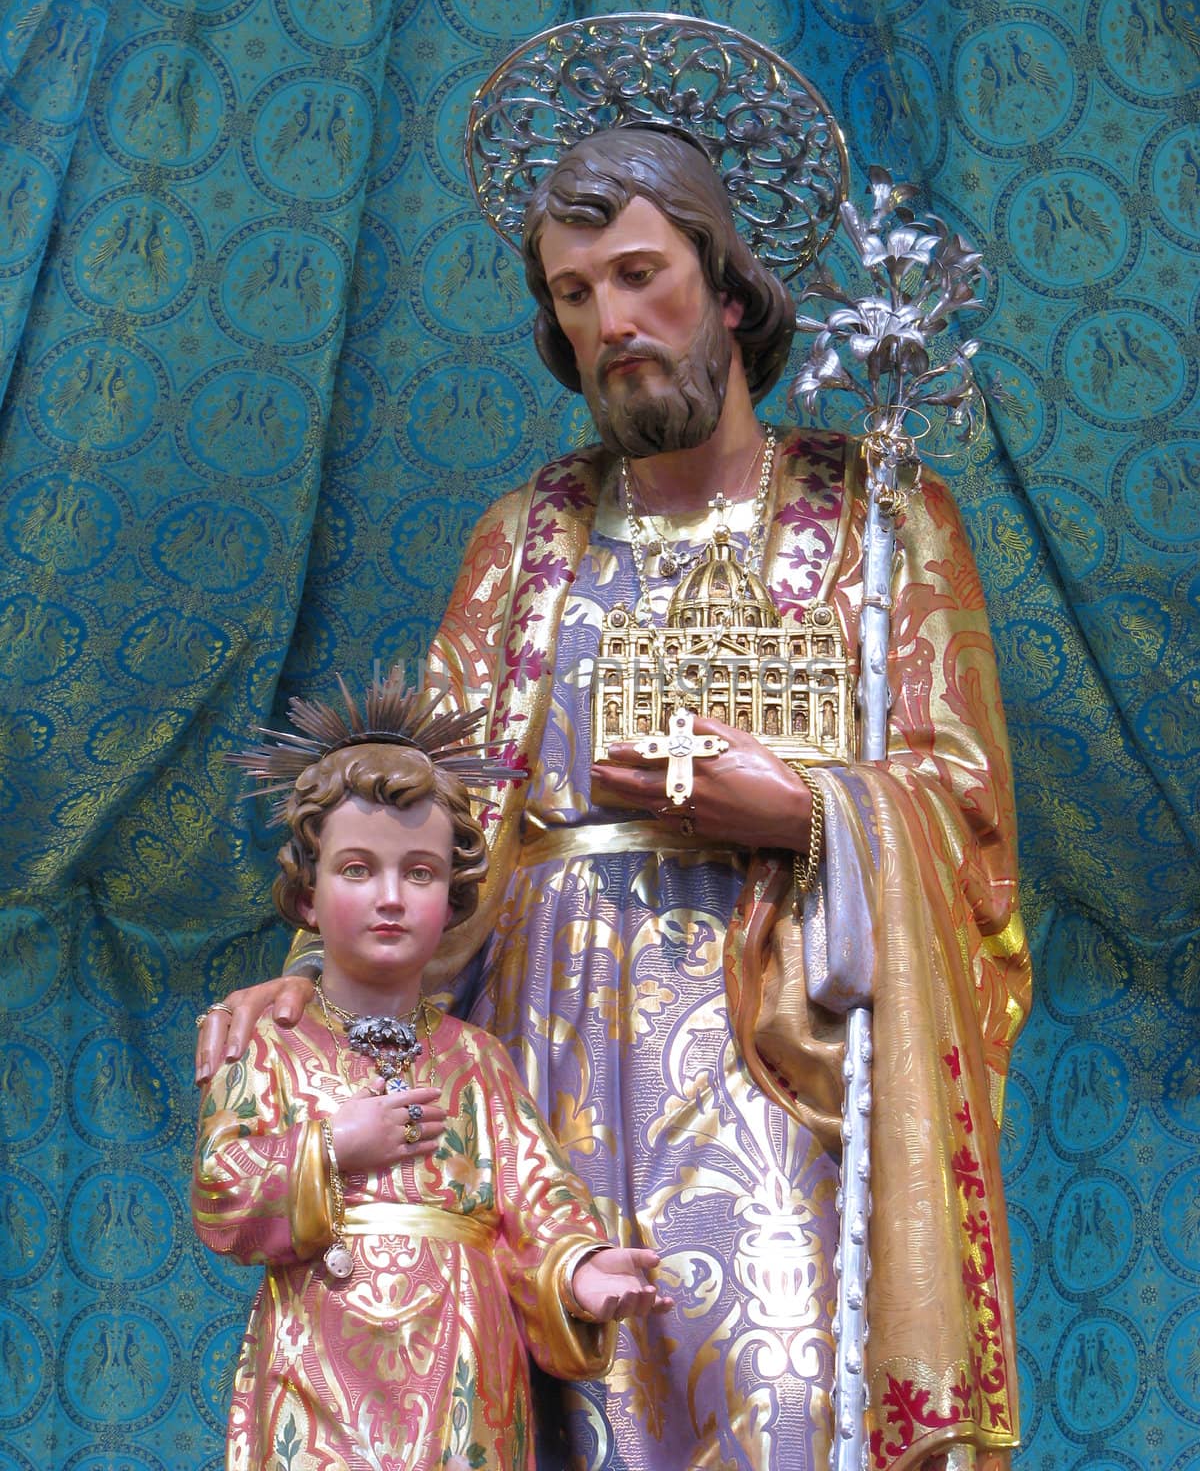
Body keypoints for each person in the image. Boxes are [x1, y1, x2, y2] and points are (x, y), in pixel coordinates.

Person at [198, 125, 1031, 1471]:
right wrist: (310, 997)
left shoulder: (882, 518)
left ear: (732, 284)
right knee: (570, 1405)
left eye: (641, 276)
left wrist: (810, 809)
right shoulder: (524, 534)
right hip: (541, 1044)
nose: (611, 325)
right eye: (575, 296)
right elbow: (426, 813)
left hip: (777, 1050)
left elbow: (969, 815)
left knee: (787, 1399)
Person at [193, 686, 669, 1471]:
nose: (389, 898)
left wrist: (580, 1268)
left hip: (463, 1371)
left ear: (452, 900)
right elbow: (219, 1191)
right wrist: (332, 1144)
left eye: (419, 872)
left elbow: (535, 1198)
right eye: (357, 869)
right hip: (319, 1368)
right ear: (307, 895)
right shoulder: (269, 1040)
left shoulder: (477, 1060)